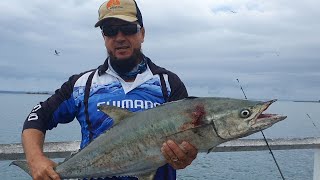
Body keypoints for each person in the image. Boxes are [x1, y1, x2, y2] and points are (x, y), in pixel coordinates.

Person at [21, 0, 198, 179]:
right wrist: (35, 160)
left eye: (128, 28)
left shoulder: (168, 83)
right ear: (104, 37)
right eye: (110, 31)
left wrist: (184, 156)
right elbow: (38, 117)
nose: (119, 37)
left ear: (142, 33)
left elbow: (187, 139)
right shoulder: (82, 84)